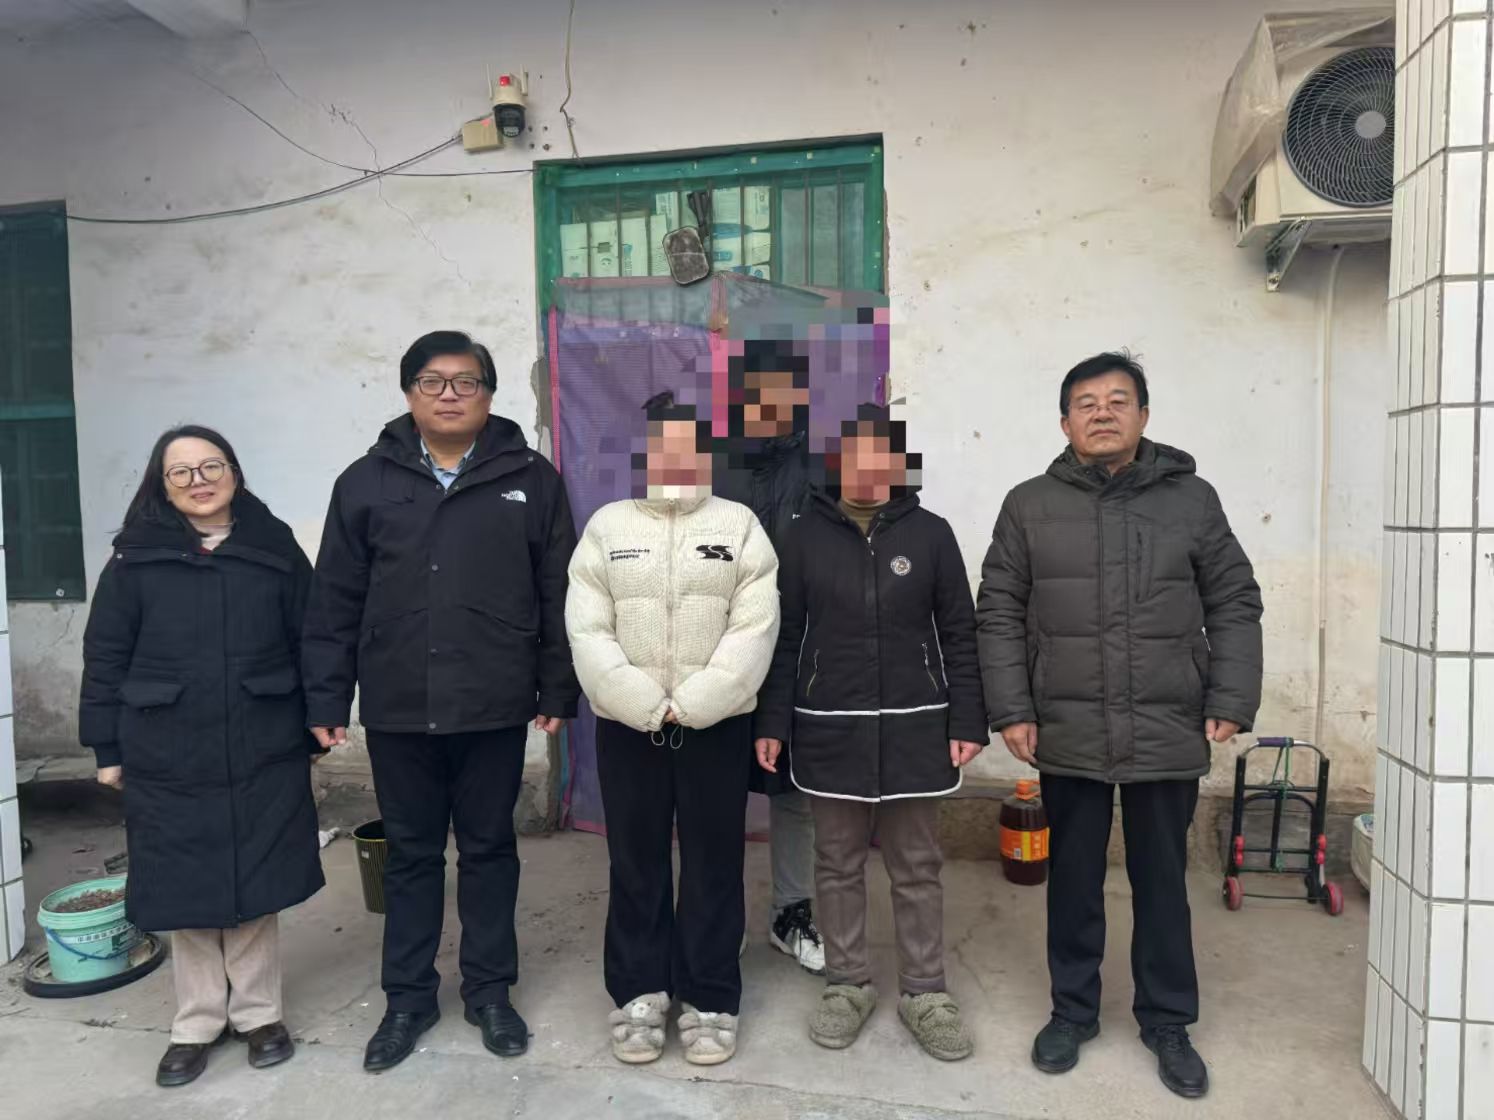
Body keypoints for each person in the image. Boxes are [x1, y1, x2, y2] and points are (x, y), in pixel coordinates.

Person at [976, 352, 1263, 1099]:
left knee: (1162, 881)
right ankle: (1072, 1011)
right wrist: (1012, 708)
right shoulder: (1029, 504)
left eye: (1117, 400)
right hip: (1066, 724)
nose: (1102, 413)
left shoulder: (1191, 499)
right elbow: (998, 610)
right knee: (1071, 880)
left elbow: (1234, 598)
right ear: (1064, 422)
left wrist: (1231, 694)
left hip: (1166, 722)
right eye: (1086, 403)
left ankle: (1167, 1021)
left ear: (1143, 415)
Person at [301, 331, 579, 1072]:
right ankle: (408, 999)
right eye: (432, 381)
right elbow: (334, 598)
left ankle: (489, 992)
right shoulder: (365, 482)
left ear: (489, 394)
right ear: (408, 393)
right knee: (412, 855)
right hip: (399, 702)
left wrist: (557, 685)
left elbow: (557, 590)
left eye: (466, 382)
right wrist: (326, 697)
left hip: (494, 701)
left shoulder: (531, 478)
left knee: (489, 851)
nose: (449, 395)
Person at [79, 425, 324, 1088]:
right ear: (162, 487)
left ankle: (258, 1015)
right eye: (181, 472)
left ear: (234, 473)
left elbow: (312, 639)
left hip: (261, 736)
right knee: (186, 884)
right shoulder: (134, 560)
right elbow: (105, 656)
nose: (199, 481)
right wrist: (106, 746)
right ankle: (196, 1023)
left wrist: (320, 722)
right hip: (167, 745)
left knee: (255, 877)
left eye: (211, 466)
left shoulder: (274, 549)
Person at [754, 406, 988, 1062]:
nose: (866, 469)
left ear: (899, 465)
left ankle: (926, 992)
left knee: (916, 864)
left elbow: (960, 633)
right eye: (852, 456)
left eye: (880, 455)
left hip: (916, 729)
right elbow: (785, 638)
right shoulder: (803, 537)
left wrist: (968, 718)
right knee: (837, 862)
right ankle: (847, 984)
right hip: (830, 728)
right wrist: (773, 721)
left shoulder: (932, 535)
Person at [566, 392, 779, 1067]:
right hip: (630, 726)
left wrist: (698, 699)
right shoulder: (608, 527)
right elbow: (587, 627)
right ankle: (639, 993)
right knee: (636, 863)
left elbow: (755, 625)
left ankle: (711, 997)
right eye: (664, 445)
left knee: (715, 864)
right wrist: (636, 698)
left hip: (713, 725)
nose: (677, 457)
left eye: (690, 446)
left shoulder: (739, 525)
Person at [713, 338, 823, 974]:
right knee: (718, 790)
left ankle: (792, 913)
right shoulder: (708, 465)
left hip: (799, 653)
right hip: (718, 652)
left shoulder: (823, 467)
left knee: (794, 792)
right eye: (757, 388)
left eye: (784, 387)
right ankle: (719, 917)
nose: (770, 400)